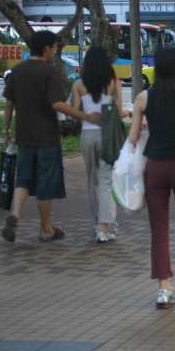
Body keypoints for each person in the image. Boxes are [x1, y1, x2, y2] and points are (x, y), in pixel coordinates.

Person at [1, 31, 101, 243]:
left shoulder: (17, 70)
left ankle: (15, 214)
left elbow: (9, 103)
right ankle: (45, 228)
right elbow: (57, 104)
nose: (55, 51)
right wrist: (84, 116)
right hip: (46, 136)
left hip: (24, 135)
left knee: (23, 179)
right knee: (46, 184)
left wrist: (6, 130)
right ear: (46, 48)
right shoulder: (50, 72)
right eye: (54, 47)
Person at [129, 48, 175, 309]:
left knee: (158, 227)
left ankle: (164, 288)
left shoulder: (143, 98)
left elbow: (133, 137)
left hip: (155, 167)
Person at [71, 47, 127, 243]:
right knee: (106, 180)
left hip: (87, 135)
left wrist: (88, 117)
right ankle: (105, 226)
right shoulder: (113, 83)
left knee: (92, 181)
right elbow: (119, 111)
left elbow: (73, 111)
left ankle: (99, 223)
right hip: (107, 136)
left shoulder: (78, 84)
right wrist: (128, 114)